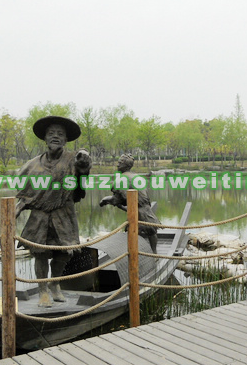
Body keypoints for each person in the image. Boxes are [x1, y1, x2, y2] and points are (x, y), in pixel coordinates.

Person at [15, 115, 92, 307]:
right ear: (45, 138)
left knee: (64, 252)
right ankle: (43, 291)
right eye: (51, 133)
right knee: (40, 253)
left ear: (66, 139)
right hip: (39, 216)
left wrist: (84, 161)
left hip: (64, 213)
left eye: (60, 134)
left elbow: (82, 172)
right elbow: (25, 193)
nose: (55, 136)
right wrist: (17, 209)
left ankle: (55, 283)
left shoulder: (73, 160)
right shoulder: (32, 165)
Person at [99, 153, 160, 252]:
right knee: (151, 232)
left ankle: (134, 254)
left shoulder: (121, 179)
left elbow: (116, 199)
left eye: (120, 163)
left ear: (125, 165)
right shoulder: (137, 177)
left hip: (138, 211)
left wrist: (105, 200)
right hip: (146, 209)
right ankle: (154, 253)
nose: (117, 165)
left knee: (133, 231)